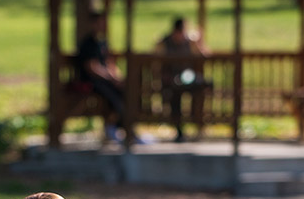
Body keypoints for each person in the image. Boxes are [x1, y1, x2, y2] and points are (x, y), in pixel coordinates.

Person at [76, 10, 141, 144]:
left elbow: (109, 63)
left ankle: (125, 128)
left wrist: (117, 78)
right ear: (93, 24)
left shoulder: (102, 42)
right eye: (100, 22)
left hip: (105, 80)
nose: (102, 25)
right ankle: (119, 128)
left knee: (127, 92)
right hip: (92, 82)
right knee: (114, 97)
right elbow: (92, 67)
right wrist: (110, 78)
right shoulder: (88, 43)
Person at [155, 17, 211, 142]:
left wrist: (199, 42)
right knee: (175, 95)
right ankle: (179, 129)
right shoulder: (164, 43)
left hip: (187, 77)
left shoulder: (189, 42)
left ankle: (198, 121)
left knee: (204, 85)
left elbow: (205, 54)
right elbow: (156, 61)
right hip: (171, 80)